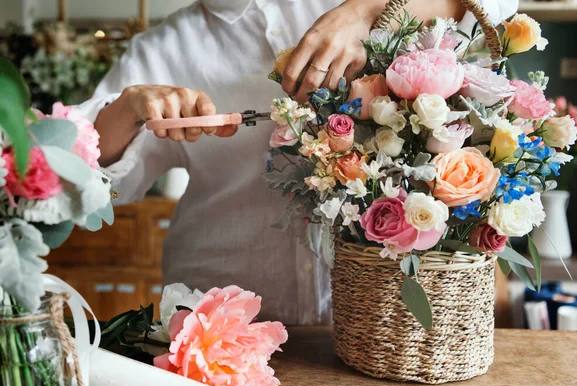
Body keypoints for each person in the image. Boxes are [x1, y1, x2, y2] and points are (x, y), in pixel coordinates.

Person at [79, 0, 518, 325]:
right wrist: (126, 108)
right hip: (220, 325)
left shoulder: (359, 6)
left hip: (381, 327)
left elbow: (497, 5)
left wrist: (366, 11)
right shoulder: (162, 49)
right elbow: (99, 196)